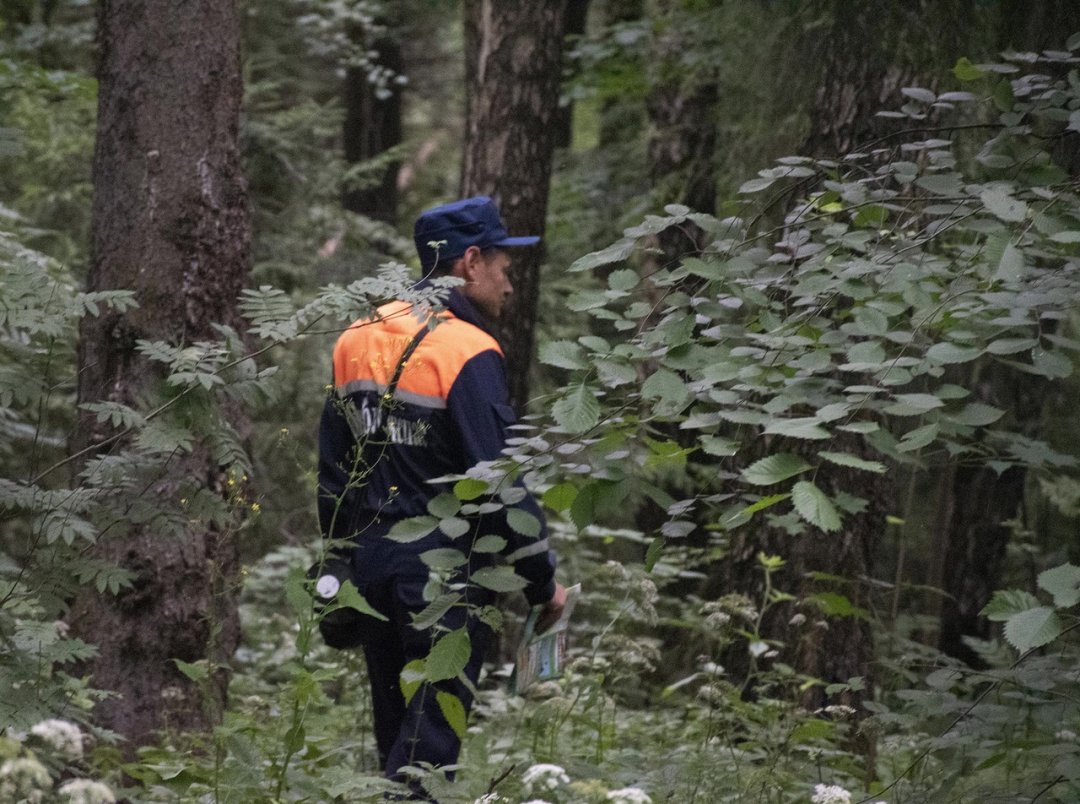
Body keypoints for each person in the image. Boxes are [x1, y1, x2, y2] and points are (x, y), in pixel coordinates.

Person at [316, 195, 567, 796]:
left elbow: (333, 471)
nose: (510, 286)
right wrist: (541, 581)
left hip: (373, 568)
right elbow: (499, 479)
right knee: (428, 754)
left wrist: (340, 559)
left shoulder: (357, 334)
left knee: (396, 739)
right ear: (470, 262)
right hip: (444, 578)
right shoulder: (466, 350)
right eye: (505, 269)